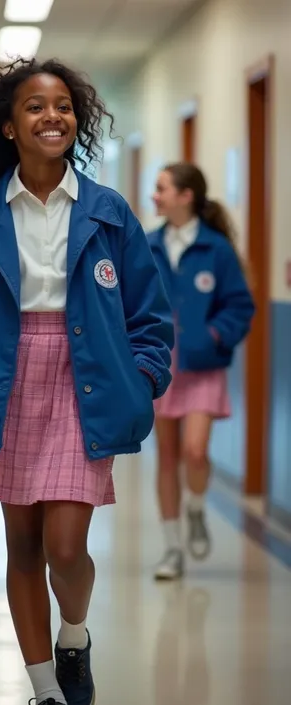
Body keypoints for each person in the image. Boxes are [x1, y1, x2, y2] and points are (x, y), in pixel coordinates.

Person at [0, 58, 174, 705]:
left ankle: (75, 636)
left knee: (65, 545)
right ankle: (45, 689)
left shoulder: (108, 212)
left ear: (75, 119)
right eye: (35, 106)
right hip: (5, 382)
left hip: (88, 380)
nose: (51, 115)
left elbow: (151, 314)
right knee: (24, 544)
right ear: (8, 127)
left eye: (62, 105)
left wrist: (140, 378)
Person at [149, 162, 255, 581]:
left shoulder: (216, 250)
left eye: (161, 189)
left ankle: (195, 509)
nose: (155, 196)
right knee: (167, 457)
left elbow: (240, 307)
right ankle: (173, 549)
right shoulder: (147, 245)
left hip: (203, 365)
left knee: (195, 451)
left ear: (185, 196)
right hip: (161, 365)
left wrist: (213, 336)